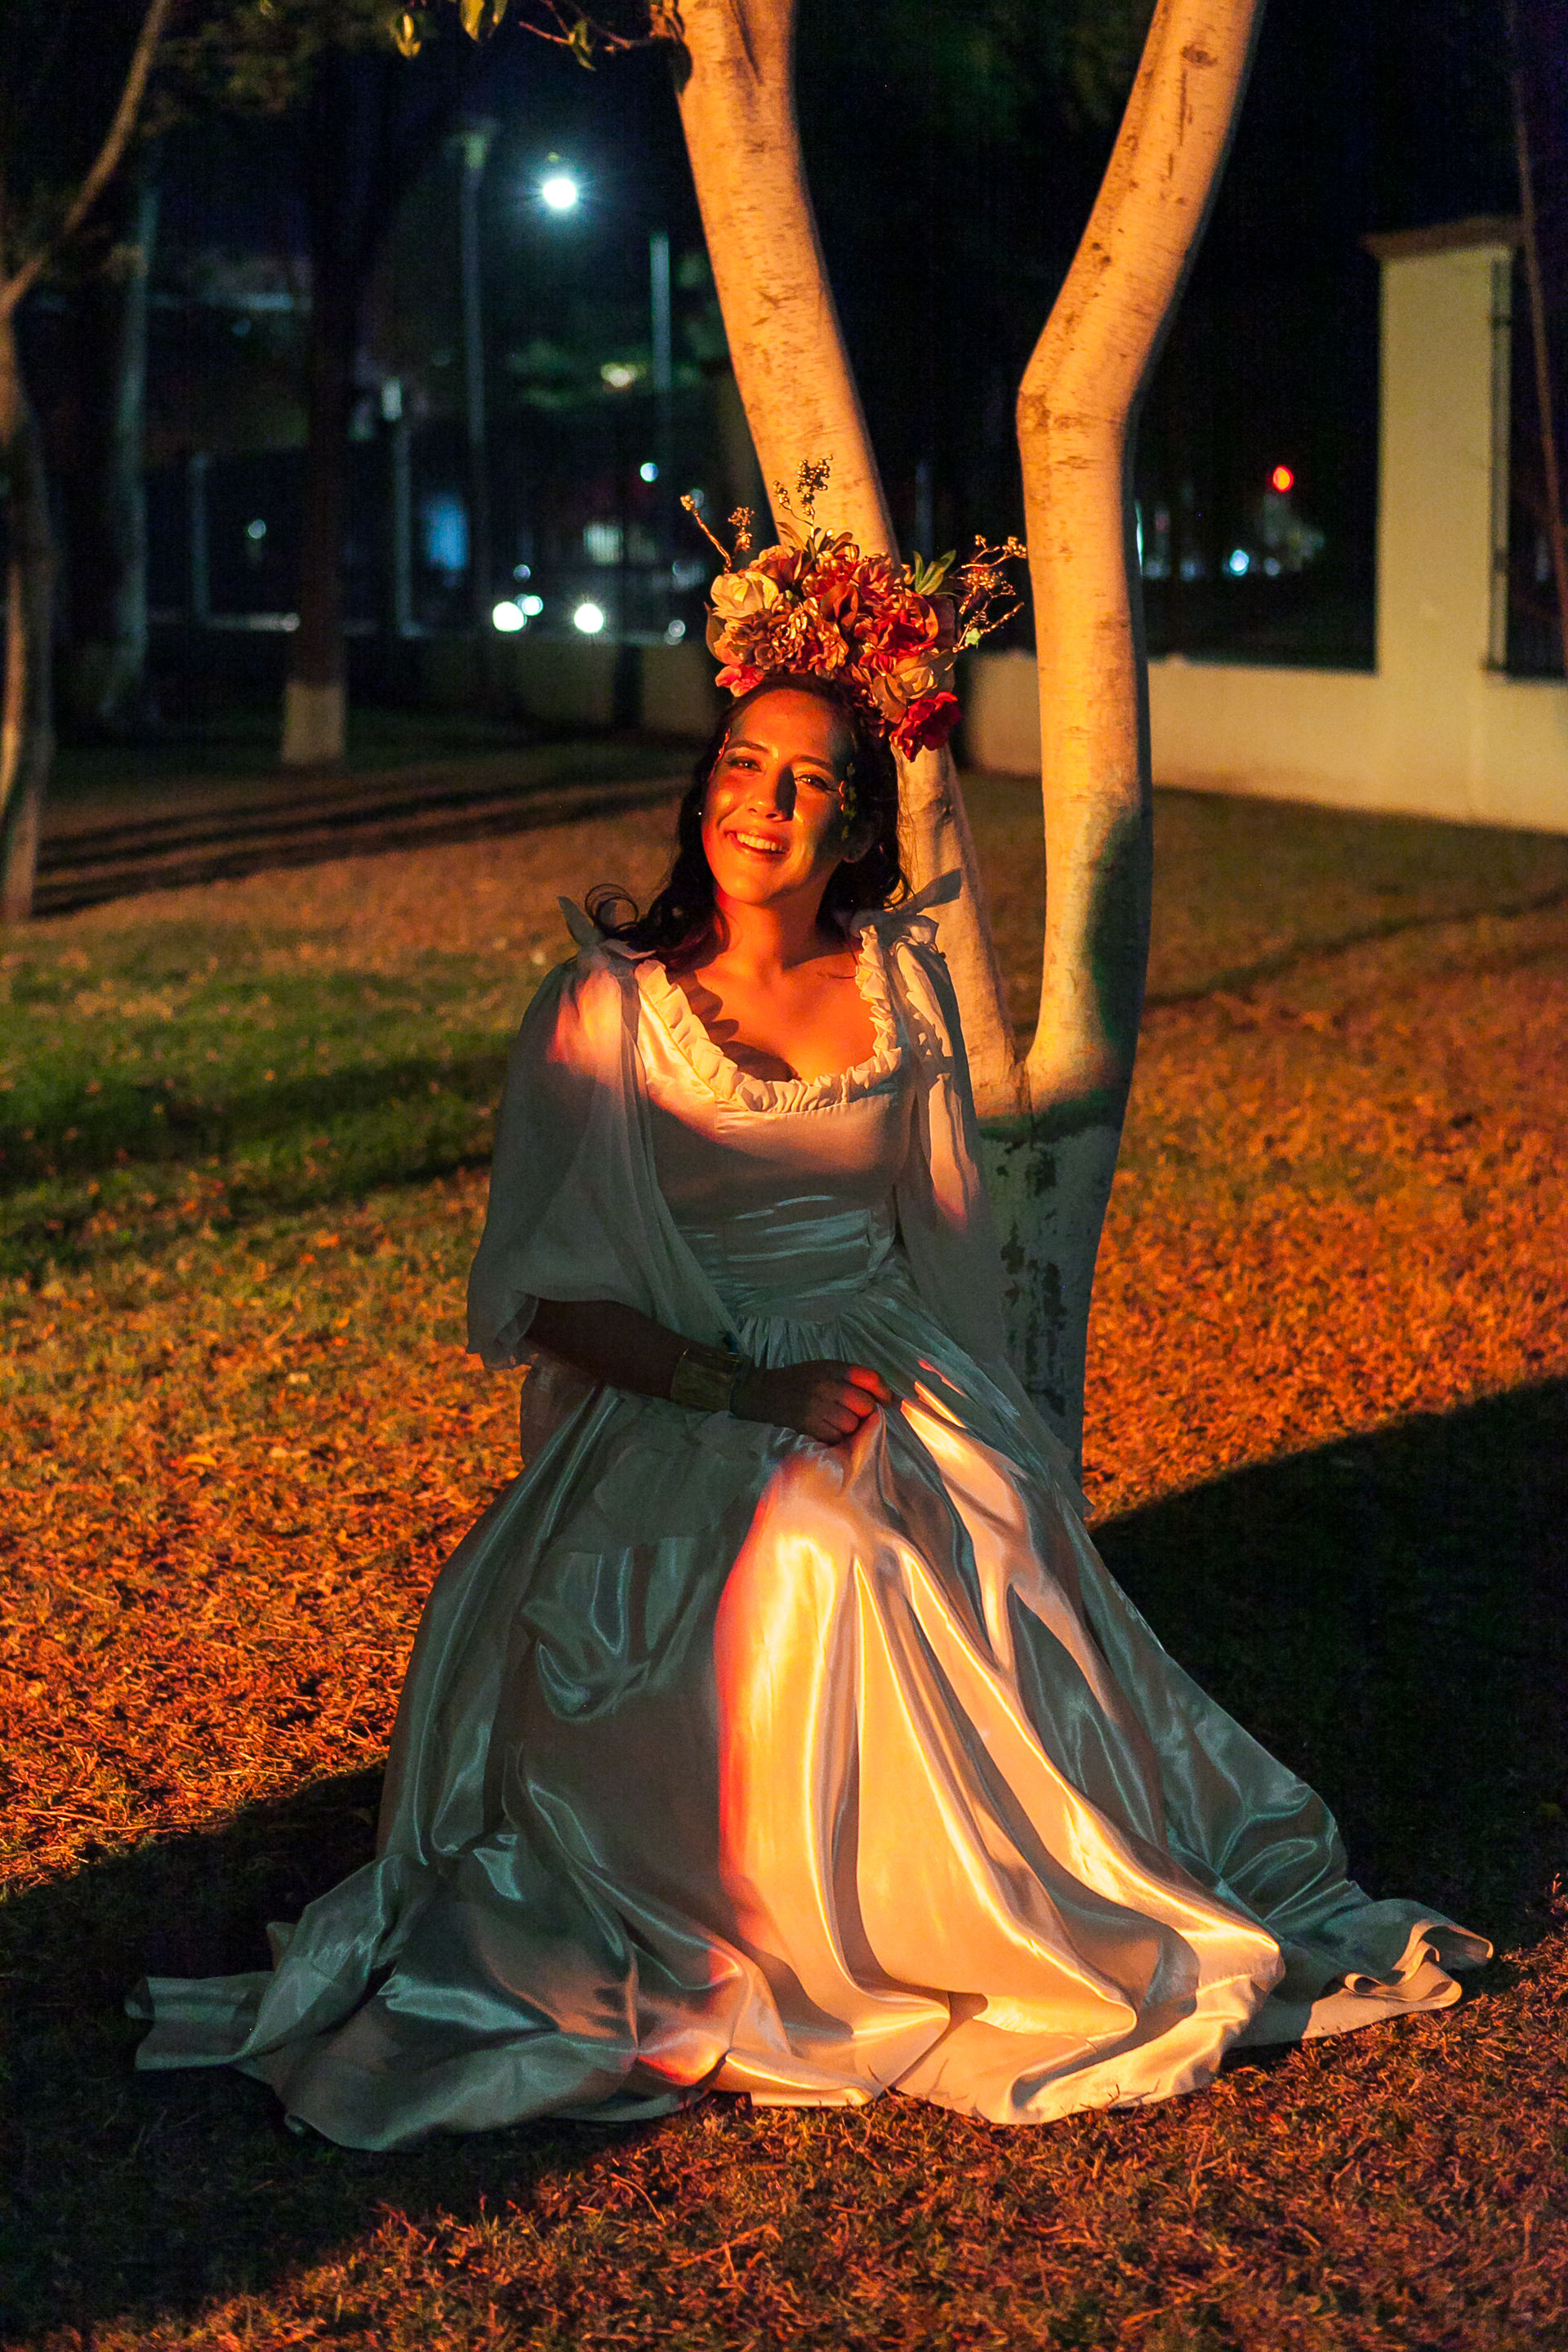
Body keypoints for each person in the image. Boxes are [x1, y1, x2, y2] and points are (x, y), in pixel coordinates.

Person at [131, 516, 1486, 2149]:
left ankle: (980, 1916)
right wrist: (743, 1386)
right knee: (806, 1571)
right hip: (680, 1395)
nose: (763, 807)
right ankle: (788, 1931)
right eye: (743, 769)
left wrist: (974, 1437)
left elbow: (944, 1248)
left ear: (857, 828)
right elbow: (542, 1297)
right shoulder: (603, 1012)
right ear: (702, 788)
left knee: (927, 1550)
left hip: (879, 1372)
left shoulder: (901, 996)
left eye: (808, 785)